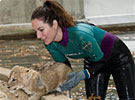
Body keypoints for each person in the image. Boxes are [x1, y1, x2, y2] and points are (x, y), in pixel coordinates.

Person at [31, 0, 135, 100]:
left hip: (118, 58)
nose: (38, 36)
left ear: (54, 24)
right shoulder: (49, 43)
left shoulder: (80, 34)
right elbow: (64, 68)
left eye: (41, 30)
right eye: (35, 31)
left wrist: (82, 75)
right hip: (94, 60)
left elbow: (101, 61)